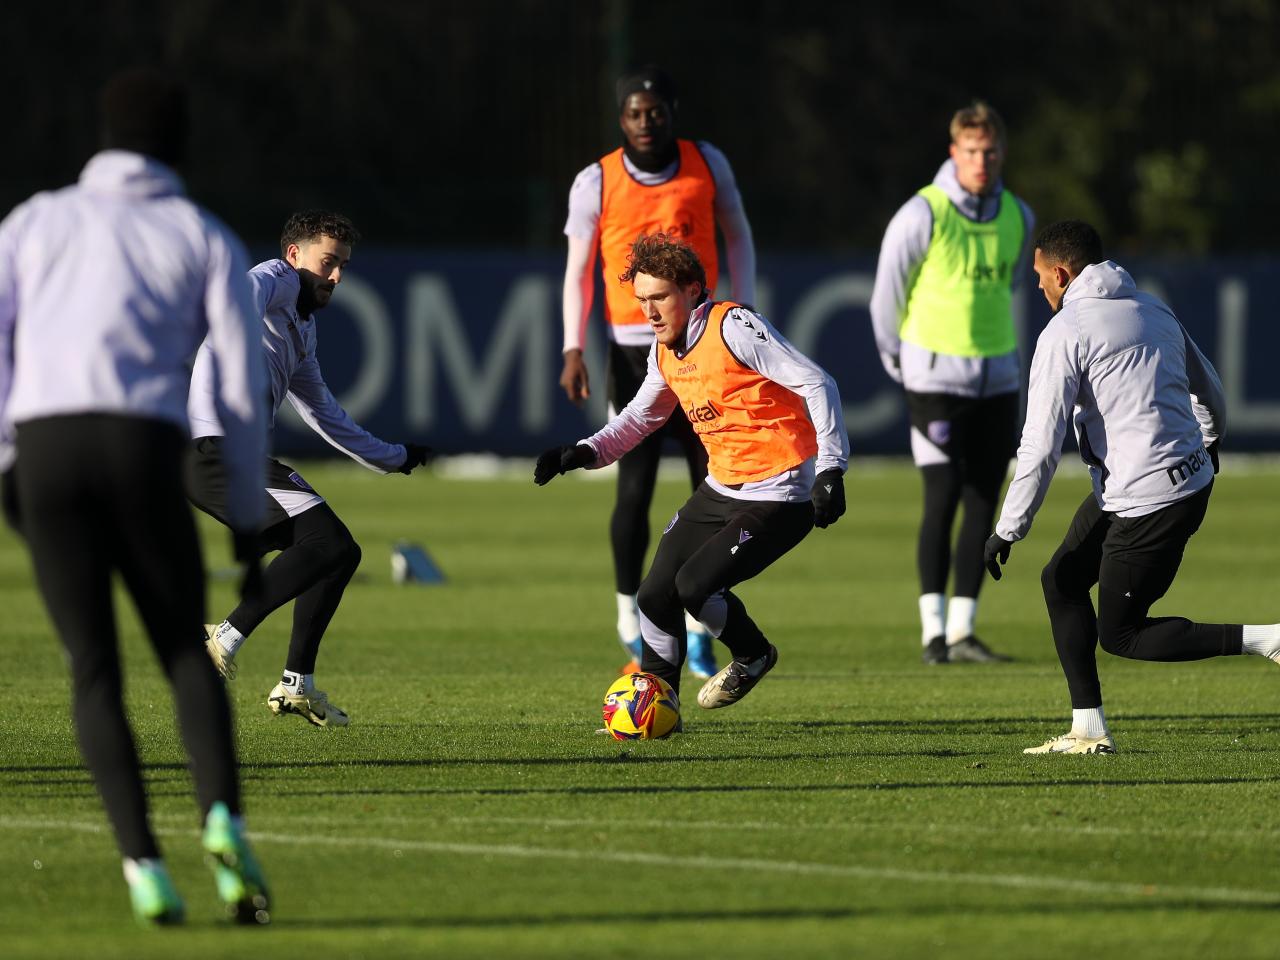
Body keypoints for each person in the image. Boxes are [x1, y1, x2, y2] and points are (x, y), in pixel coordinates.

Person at [0, 68, 271, 925]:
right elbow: (239, 387)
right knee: (184, 655)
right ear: (180, 140)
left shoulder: (34, 220)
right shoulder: (201, 233)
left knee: (93, 670)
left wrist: (11, 465)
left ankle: (141, 864)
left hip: (45, 447)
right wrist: (248, 514)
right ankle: (222, 819)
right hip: (143, 446)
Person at [984, 219, 1280, 754]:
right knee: (1063, 580)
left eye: (1039, 276)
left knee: (1122, 634)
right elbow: (1209, 386)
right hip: (1170, 482)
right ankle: (1087, 729)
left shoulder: (1065, 331)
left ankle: (1267, 638)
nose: (1038, 287)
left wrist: (1008, 528)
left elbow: (1040, 445)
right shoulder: (1151, 306)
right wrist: (1211, 440)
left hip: (1149, 501)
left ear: (1061, 271)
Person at [537, 234, 847, 711]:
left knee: (694, 586)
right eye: (641, 300)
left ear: (692, 290)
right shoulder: (663, 351)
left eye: (659, 297)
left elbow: (817, 381)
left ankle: (754, 653)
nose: (649, 311)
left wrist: (830, 469)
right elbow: (641, 417)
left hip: (779, 493)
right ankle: (657, 708)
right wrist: (583, 452)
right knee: (654, 594)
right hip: (720, 489)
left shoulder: (733, 326)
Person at [186, 210, 431, 728]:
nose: (336, 276)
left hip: (229, 456)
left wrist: (395, 457)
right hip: (212, 448)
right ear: (295, 256)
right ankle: (222, 638)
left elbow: (326, 417)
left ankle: (297, 685)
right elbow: (241, 298)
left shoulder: (303, 331)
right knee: (331, 544)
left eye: (342, 265)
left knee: (338, 554)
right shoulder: (273, 278)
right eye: (328, 262)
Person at [559, 65, 757, 679]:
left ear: (671, 109)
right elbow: (577, 268)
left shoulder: (707, 162)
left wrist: (741, 310)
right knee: (635, 486)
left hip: (703, 341)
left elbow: (739, 236)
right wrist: (573, 347)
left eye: (655, 110)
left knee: (715, 482)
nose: (645, 121)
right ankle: (630, 617)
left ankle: (699, 618)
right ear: (621, 119)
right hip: (628, 348)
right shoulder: (596, 179)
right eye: (633, 113)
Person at [870, 101, 1034, 664]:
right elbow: (887, 294)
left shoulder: (1018, 215)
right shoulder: (924, 213)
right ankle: (932, 632)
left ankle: (963, 631)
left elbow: (1013, 286)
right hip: (934, 378)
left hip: (998, 378)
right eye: (971, 151)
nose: (981, 161)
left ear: (1002, 152)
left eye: (989, 151)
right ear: (954, 152)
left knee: (984, 499)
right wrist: (901, 362)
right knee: (940, 497)